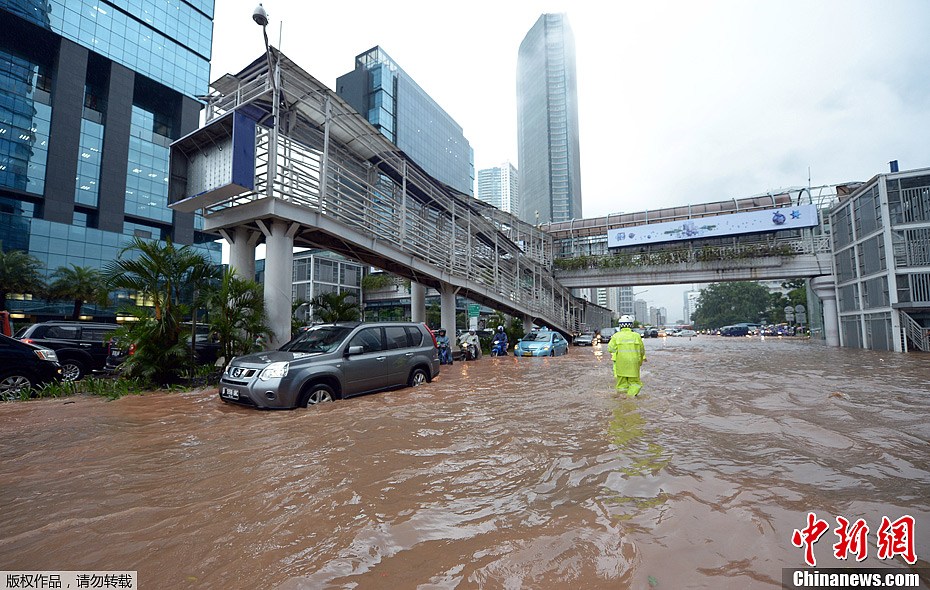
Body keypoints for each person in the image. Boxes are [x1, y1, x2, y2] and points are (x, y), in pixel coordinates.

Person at [607, 314, 646, 397]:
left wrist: (619, 351)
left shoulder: (616, 336)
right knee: (635, 383)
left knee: (621, 383)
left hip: (620, 363)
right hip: (634, 363)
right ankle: (630, 397)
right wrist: (642, 359)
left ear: (620, 325)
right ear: (631, 325)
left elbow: (610, 349)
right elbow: (642, 350)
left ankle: (622, 399)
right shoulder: (636, 336)